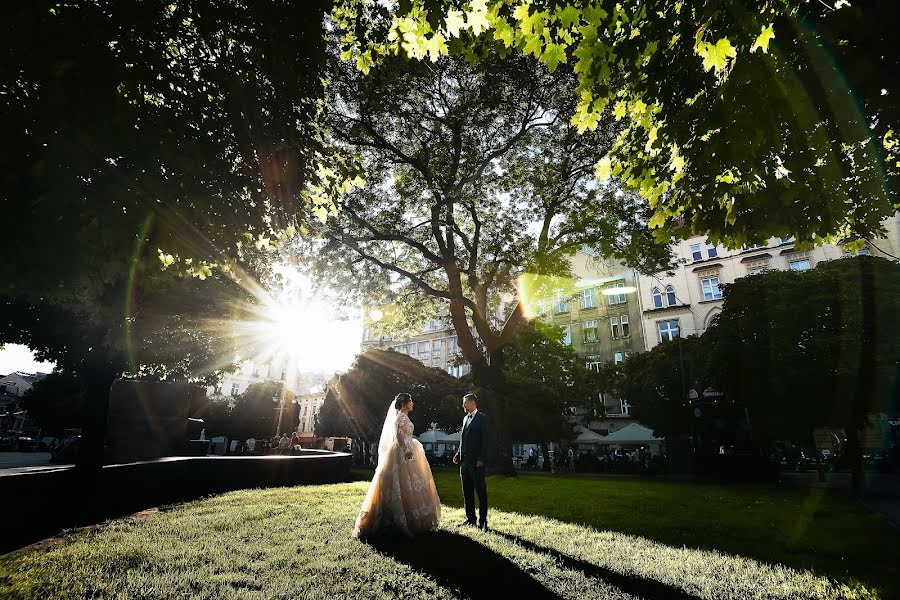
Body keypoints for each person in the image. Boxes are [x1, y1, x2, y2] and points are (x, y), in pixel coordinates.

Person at [353, 393, 441, 538]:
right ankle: (398, 519)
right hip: (401, 451)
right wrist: (406, 449)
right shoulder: (400, 416)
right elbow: (399, 435)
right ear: (405, 403)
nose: (412, 403)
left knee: (410, 484)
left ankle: (411, 517)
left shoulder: (403, 416)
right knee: (400, 483)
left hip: (408, 448)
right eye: (411, 401)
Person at [452, 393, 489, 531]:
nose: (463, 405)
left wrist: (481, 459)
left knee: (481, 492)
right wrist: (457, 454)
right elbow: (463, 440)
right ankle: (471, 519)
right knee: (467, 492)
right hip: (464, 463)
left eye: (465, 403)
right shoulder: (464, 419)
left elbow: (486, 441)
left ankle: (483, 521)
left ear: (473, 403)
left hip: (476, 463)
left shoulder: (482, 418)